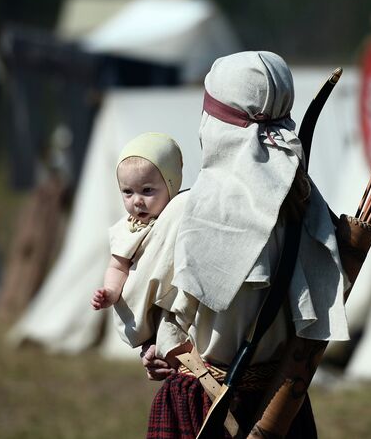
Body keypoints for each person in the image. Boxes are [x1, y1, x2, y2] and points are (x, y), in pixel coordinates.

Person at [112, 51, 351, 438]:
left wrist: (155, 344)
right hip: (280, 407)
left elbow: (135, 320)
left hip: (203, 408)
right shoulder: (309, 206)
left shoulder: (187, 210)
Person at [90, 132, 183, 310]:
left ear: (171, 184)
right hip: (152, 308)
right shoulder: (127, 231)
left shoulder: (181, 211)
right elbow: (117, 268)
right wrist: (110, 291)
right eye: (128, 192)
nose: (137, 201)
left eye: (147, 190)